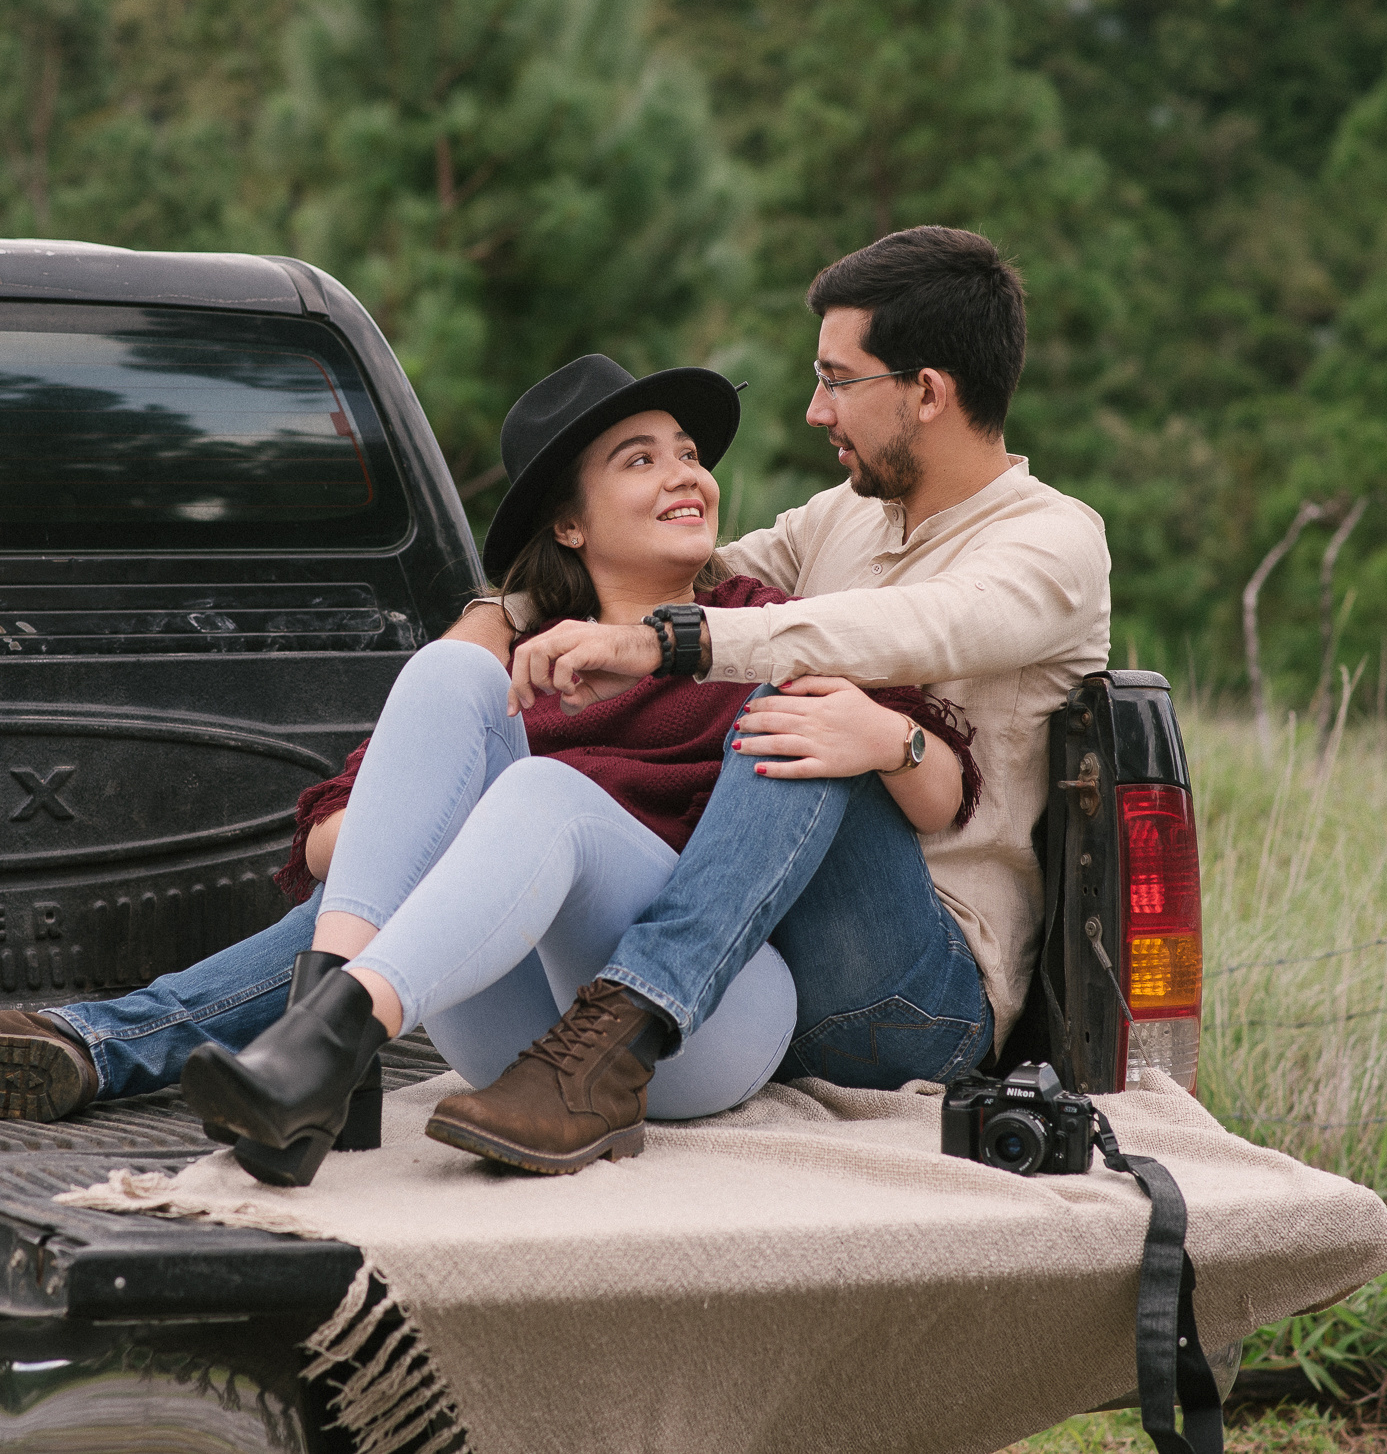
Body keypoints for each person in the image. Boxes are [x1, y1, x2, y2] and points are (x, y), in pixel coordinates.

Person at [0, 353, 975, 1185]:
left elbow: (917, 748)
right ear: (569, 522)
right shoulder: (511, 663)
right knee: (453, 686)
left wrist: (493, 830)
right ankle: (291, 1054)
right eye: (640, 459)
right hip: (512, 1036)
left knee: (545, 796)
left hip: (700, 1024)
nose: (687, 474)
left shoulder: (763, 628)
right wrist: (460, 847)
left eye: (689, 452)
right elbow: (331, 842)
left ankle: (224, 1039)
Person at [421, 224, 1112, 1176]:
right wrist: (500, 615)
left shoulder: (1053, 546)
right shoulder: (845, 516)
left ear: (926, 392)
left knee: (806, 699)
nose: (812, 411)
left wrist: (666, 645)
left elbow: (905, 629)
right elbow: (677, 571)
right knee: (782, 703)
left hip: (919, 996)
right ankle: (230, 1032)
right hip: (761, 973)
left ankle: (612, 1045)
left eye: (836, 380)